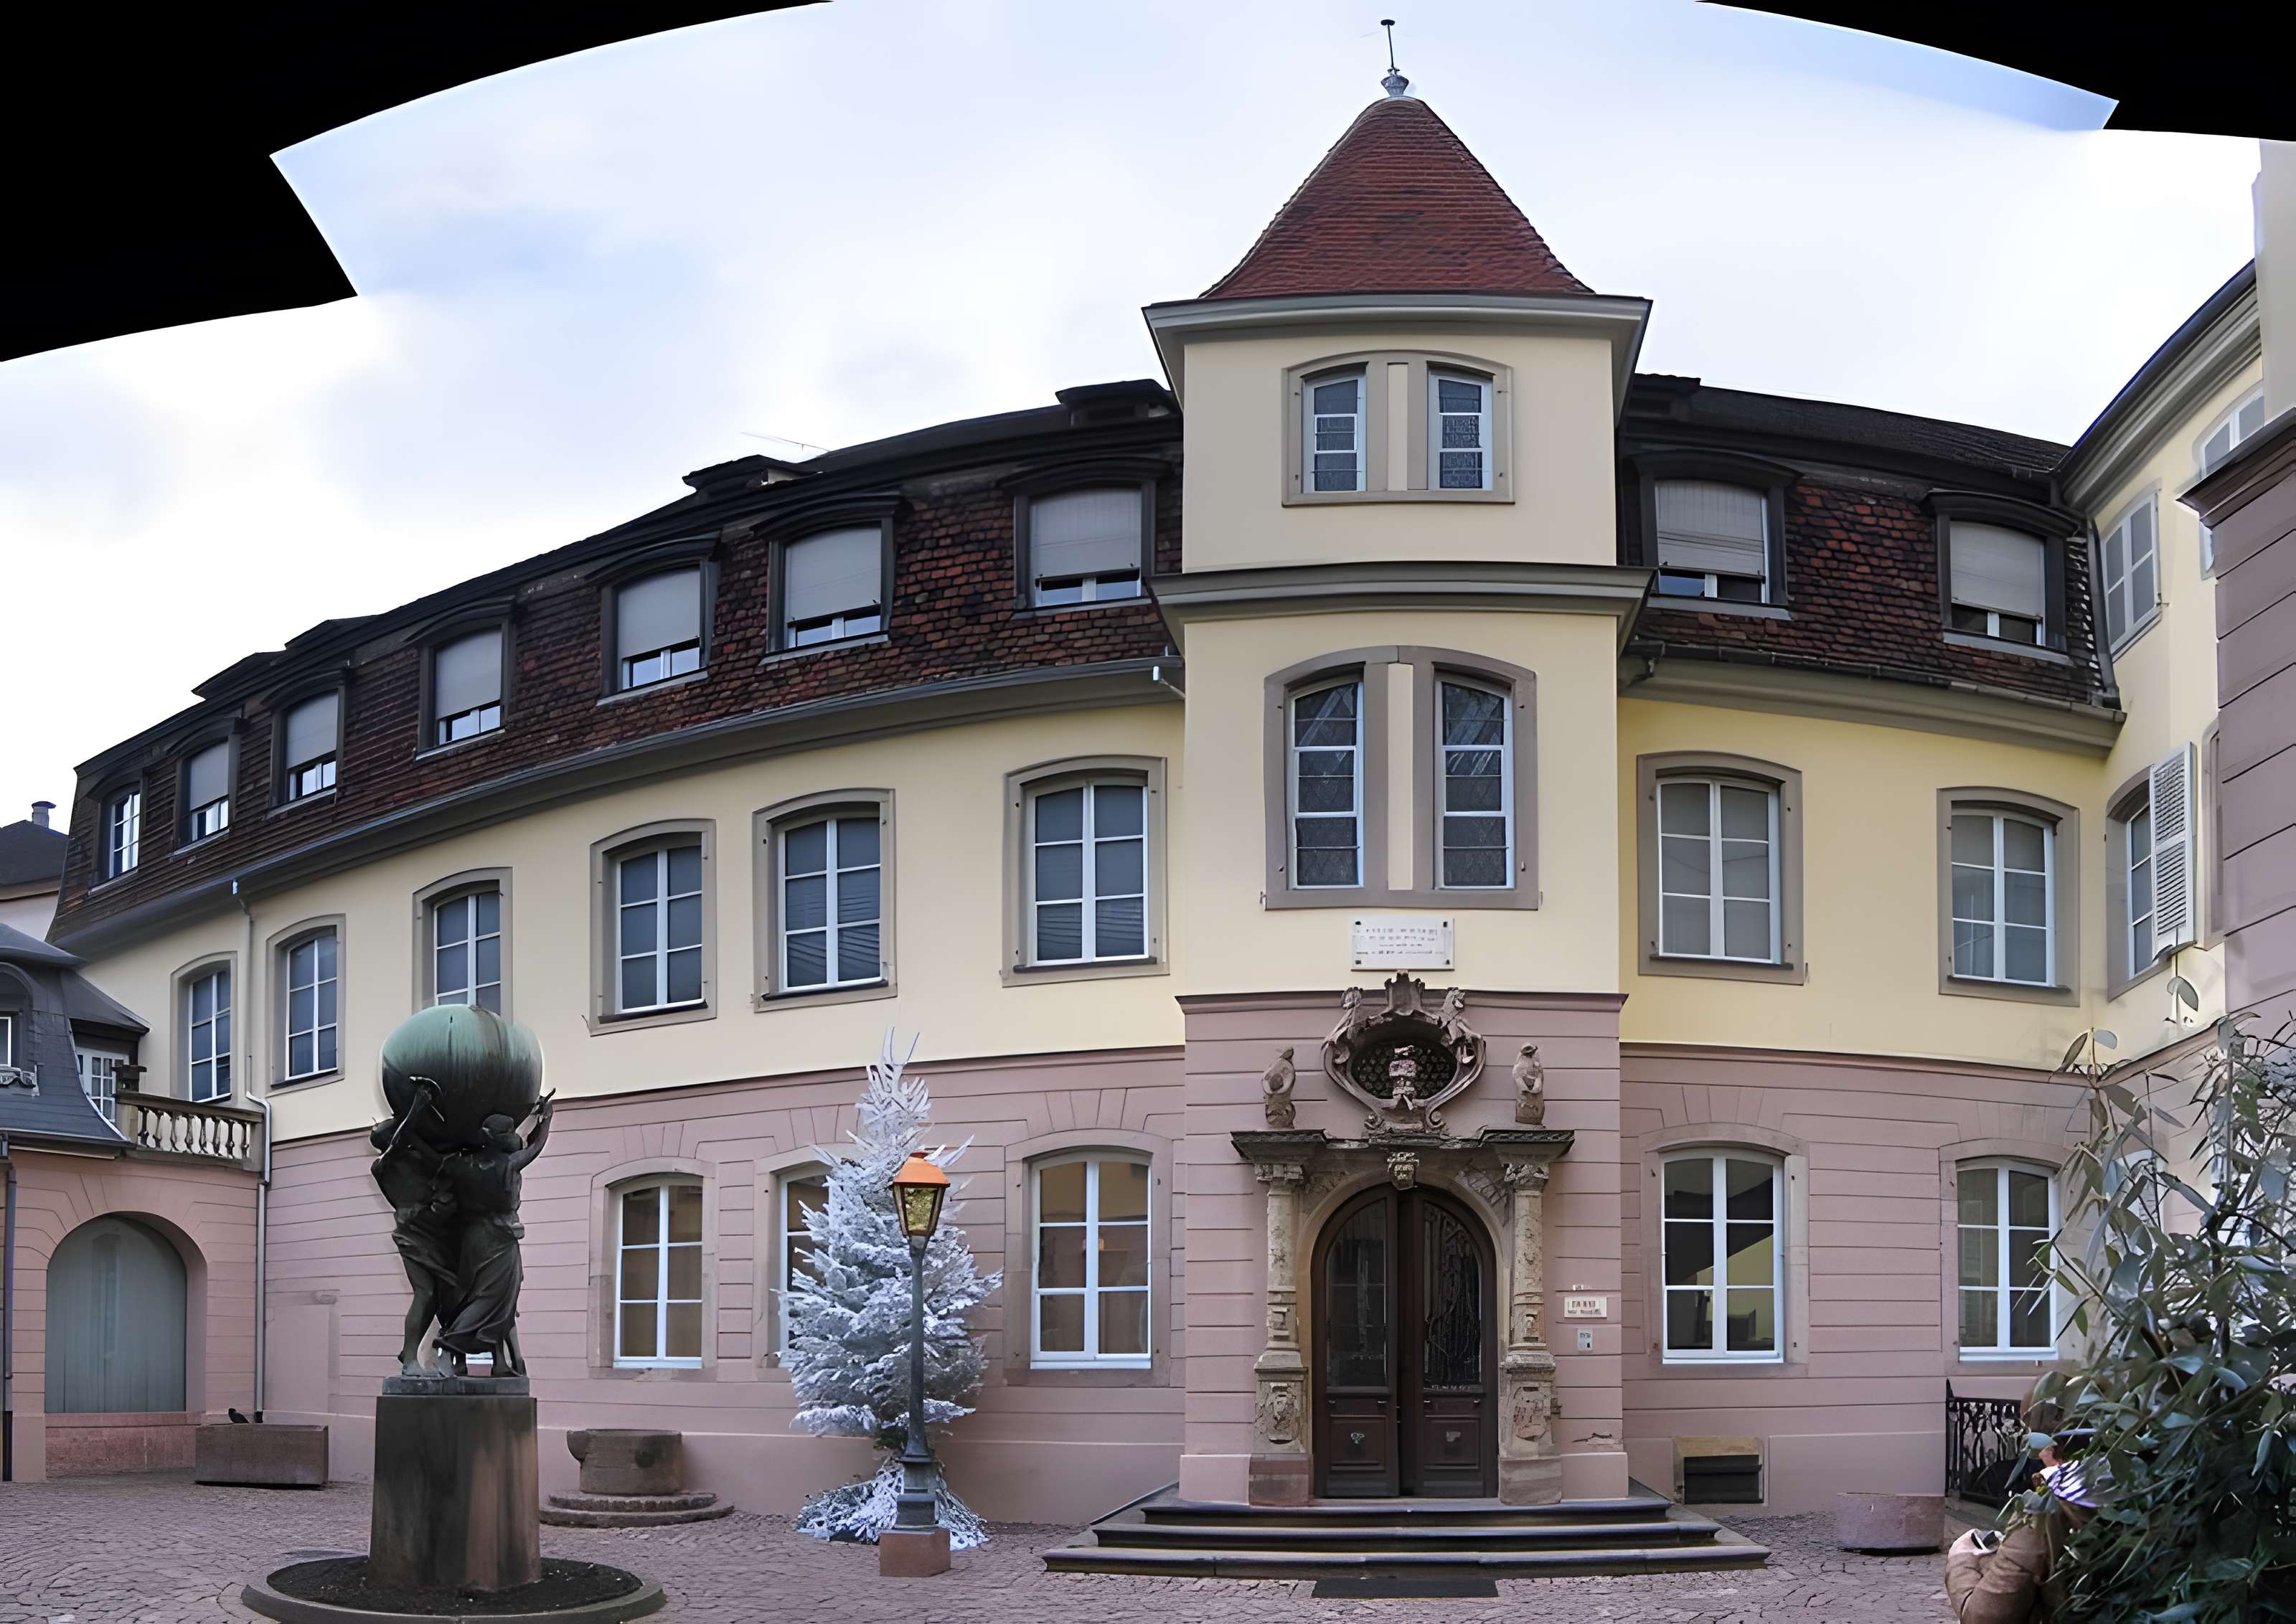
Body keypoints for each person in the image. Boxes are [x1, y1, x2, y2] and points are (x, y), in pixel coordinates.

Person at [1945, 1401, 2102, 1623]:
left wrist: (1962, 1558)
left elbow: (1985, 1616)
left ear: (2049, 1449)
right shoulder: (2141, 1485)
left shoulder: (2046, 1514)